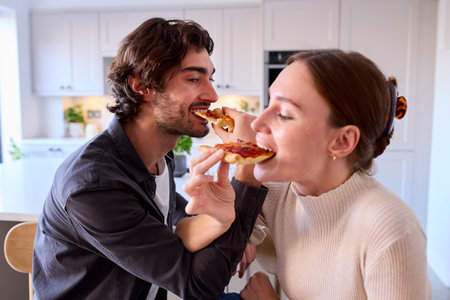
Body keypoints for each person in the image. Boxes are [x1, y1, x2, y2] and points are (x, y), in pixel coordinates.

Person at [31, 18, 268, 300]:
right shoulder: (95, 185)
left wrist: (225, 223)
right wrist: (247, 164)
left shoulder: (155, 156)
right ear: (142, 86)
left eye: (210, 78)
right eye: (194, 79)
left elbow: (180, 220)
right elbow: (197, 286)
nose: (213, 95)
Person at [202, 49, 431, 299]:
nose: (257, 124)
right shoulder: (280, 193)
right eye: (269, 104)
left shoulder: (391, 229)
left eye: (285, 114)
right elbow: (212, 249)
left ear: (342, 141)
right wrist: (244, 167)